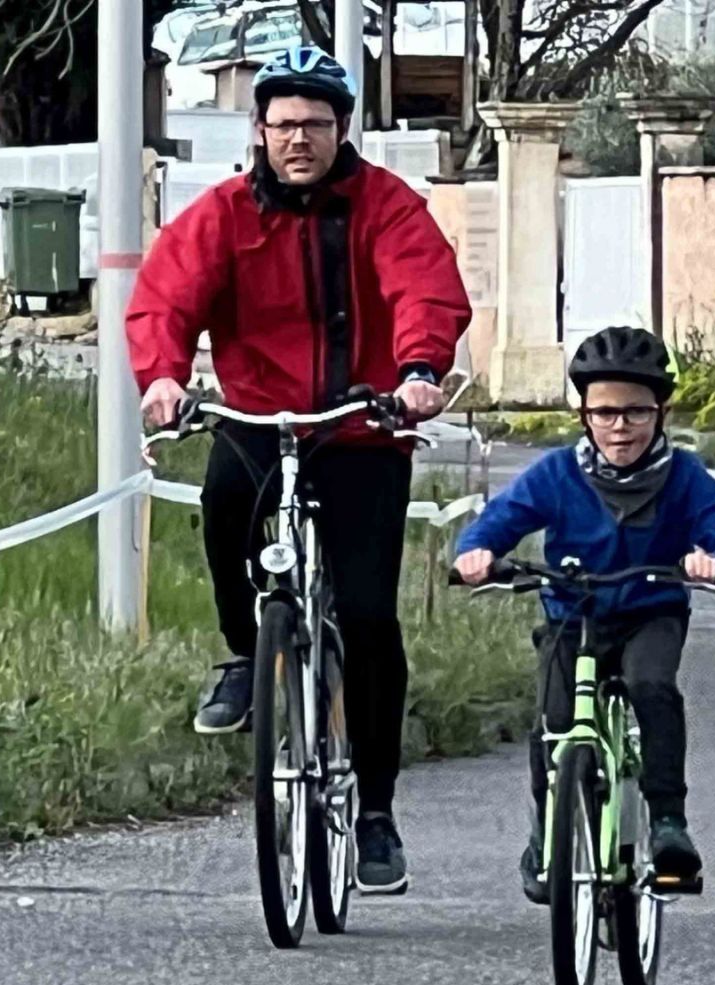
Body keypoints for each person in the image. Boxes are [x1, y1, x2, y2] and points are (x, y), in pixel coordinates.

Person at [126, 45, 470, 896]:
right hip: (258, 418)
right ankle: (248, 653)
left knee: (368, 617)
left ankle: (376, 811)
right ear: (259, 130)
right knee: (222, 503)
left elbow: (424, 288)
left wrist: (418, 371)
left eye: (316, 124)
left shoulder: (387, 206)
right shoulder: (223, 215)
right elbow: (166, 296)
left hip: (360, 428)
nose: (299, 139)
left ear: (341, 129)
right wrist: (163, 377)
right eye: (283, 125)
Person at [452, 327, 715, 902]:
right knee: (554, 723)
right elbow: (499, 520)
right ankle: (548, 832)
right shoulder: (558, 473)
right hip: (572, 614)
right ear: (584, 415)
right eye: (605, 413)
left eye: (637, 412)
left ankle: (668, 824)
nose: (620, 427)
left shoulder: (684, 477)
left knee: (651, 686)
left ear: (662, 413)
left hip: (650, 613)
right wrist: (477, 554)